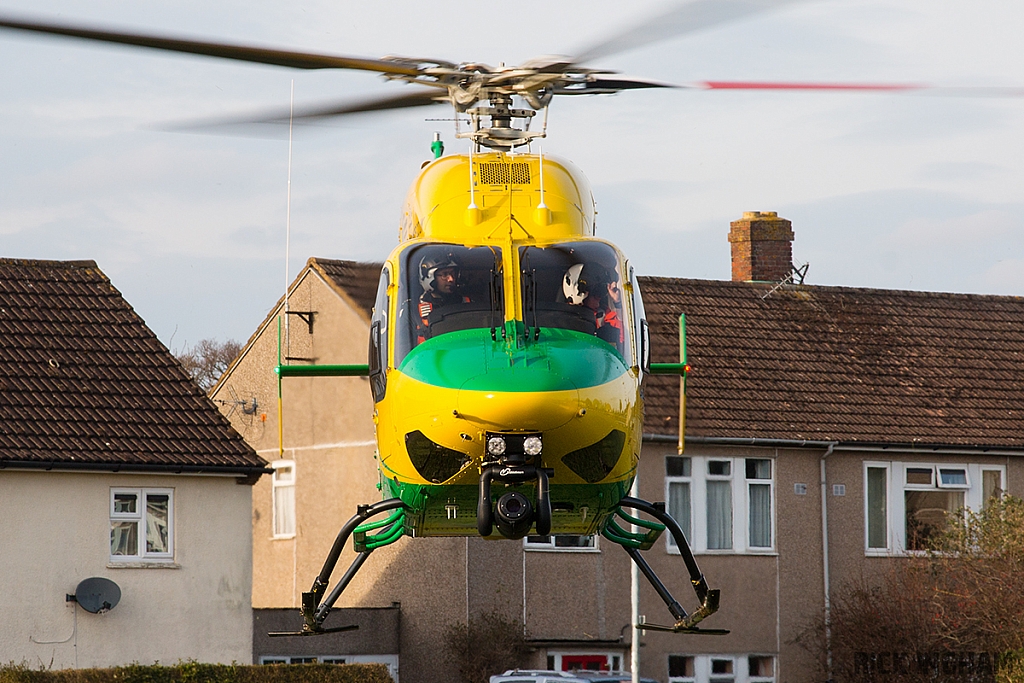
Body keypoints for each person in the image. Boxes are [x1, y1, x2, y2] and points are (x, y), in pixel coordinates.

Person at [415, 250, 470, 342]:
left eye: (453, 274)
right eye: (444, 274)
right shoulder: (413, 311)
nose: (451, 279)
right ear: (429, 277)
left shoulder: (466, 302)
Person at [562, 262, 623, 344]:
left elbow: (622, 335)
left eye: (601, 292)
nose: (599, 298)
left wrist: (617, 302)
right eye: (597, 293)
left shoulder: (602, 315)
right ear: (581, 293)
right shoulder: (561, 318)